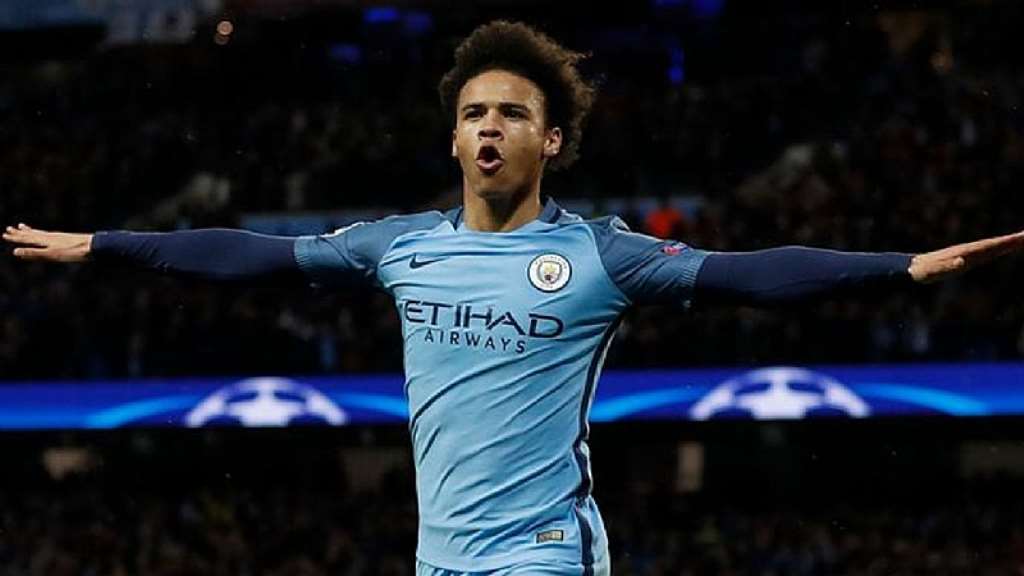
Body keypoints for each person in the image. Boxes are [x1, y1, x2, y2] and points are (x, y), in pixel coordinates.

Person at [5, 19, 1024, 576]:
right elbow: (251, 257)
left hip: (544, 557)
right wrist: (104, 244)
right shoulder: (398, 246)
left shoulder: (601, 255)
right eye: (474, 112)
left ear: (552, 140)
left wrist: (901, 267)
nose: (490, 125)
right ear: (454, 139)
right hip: (437, 558)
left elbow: (745, 273)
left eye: (513, 113)